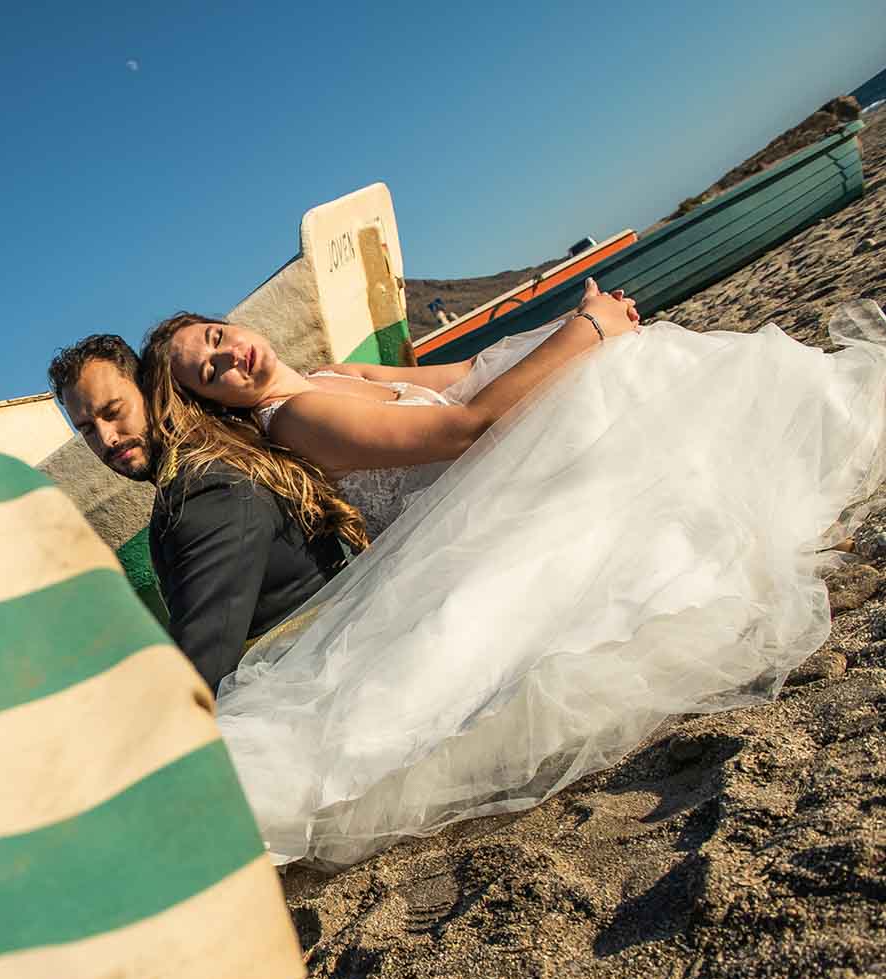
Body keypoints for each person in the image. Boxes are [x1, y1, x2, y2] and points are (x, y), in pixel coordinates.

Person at [137, 285, 886, 868]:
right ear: (215, 400)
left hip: (509, 482)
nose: (230, 356)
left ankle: (793, 447)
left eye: (216, 337)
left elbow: (465, 376)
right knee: (627, 374)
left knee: (630, 368)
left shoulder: (333, 376)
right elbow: (465, 428)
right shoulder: (297, 420)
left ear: (232, 324)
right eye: (211, 371)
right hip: (486, 511)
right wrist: (588, 332)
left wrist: (589, 323)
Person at [47, 333, 347, 688]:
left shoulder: (204, 488)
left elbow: (204, 661)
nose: (106, 438)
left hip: (320, 678)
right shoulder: (194, 470)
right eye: (87, 430)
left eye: (113, 412)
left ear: (149, 391)